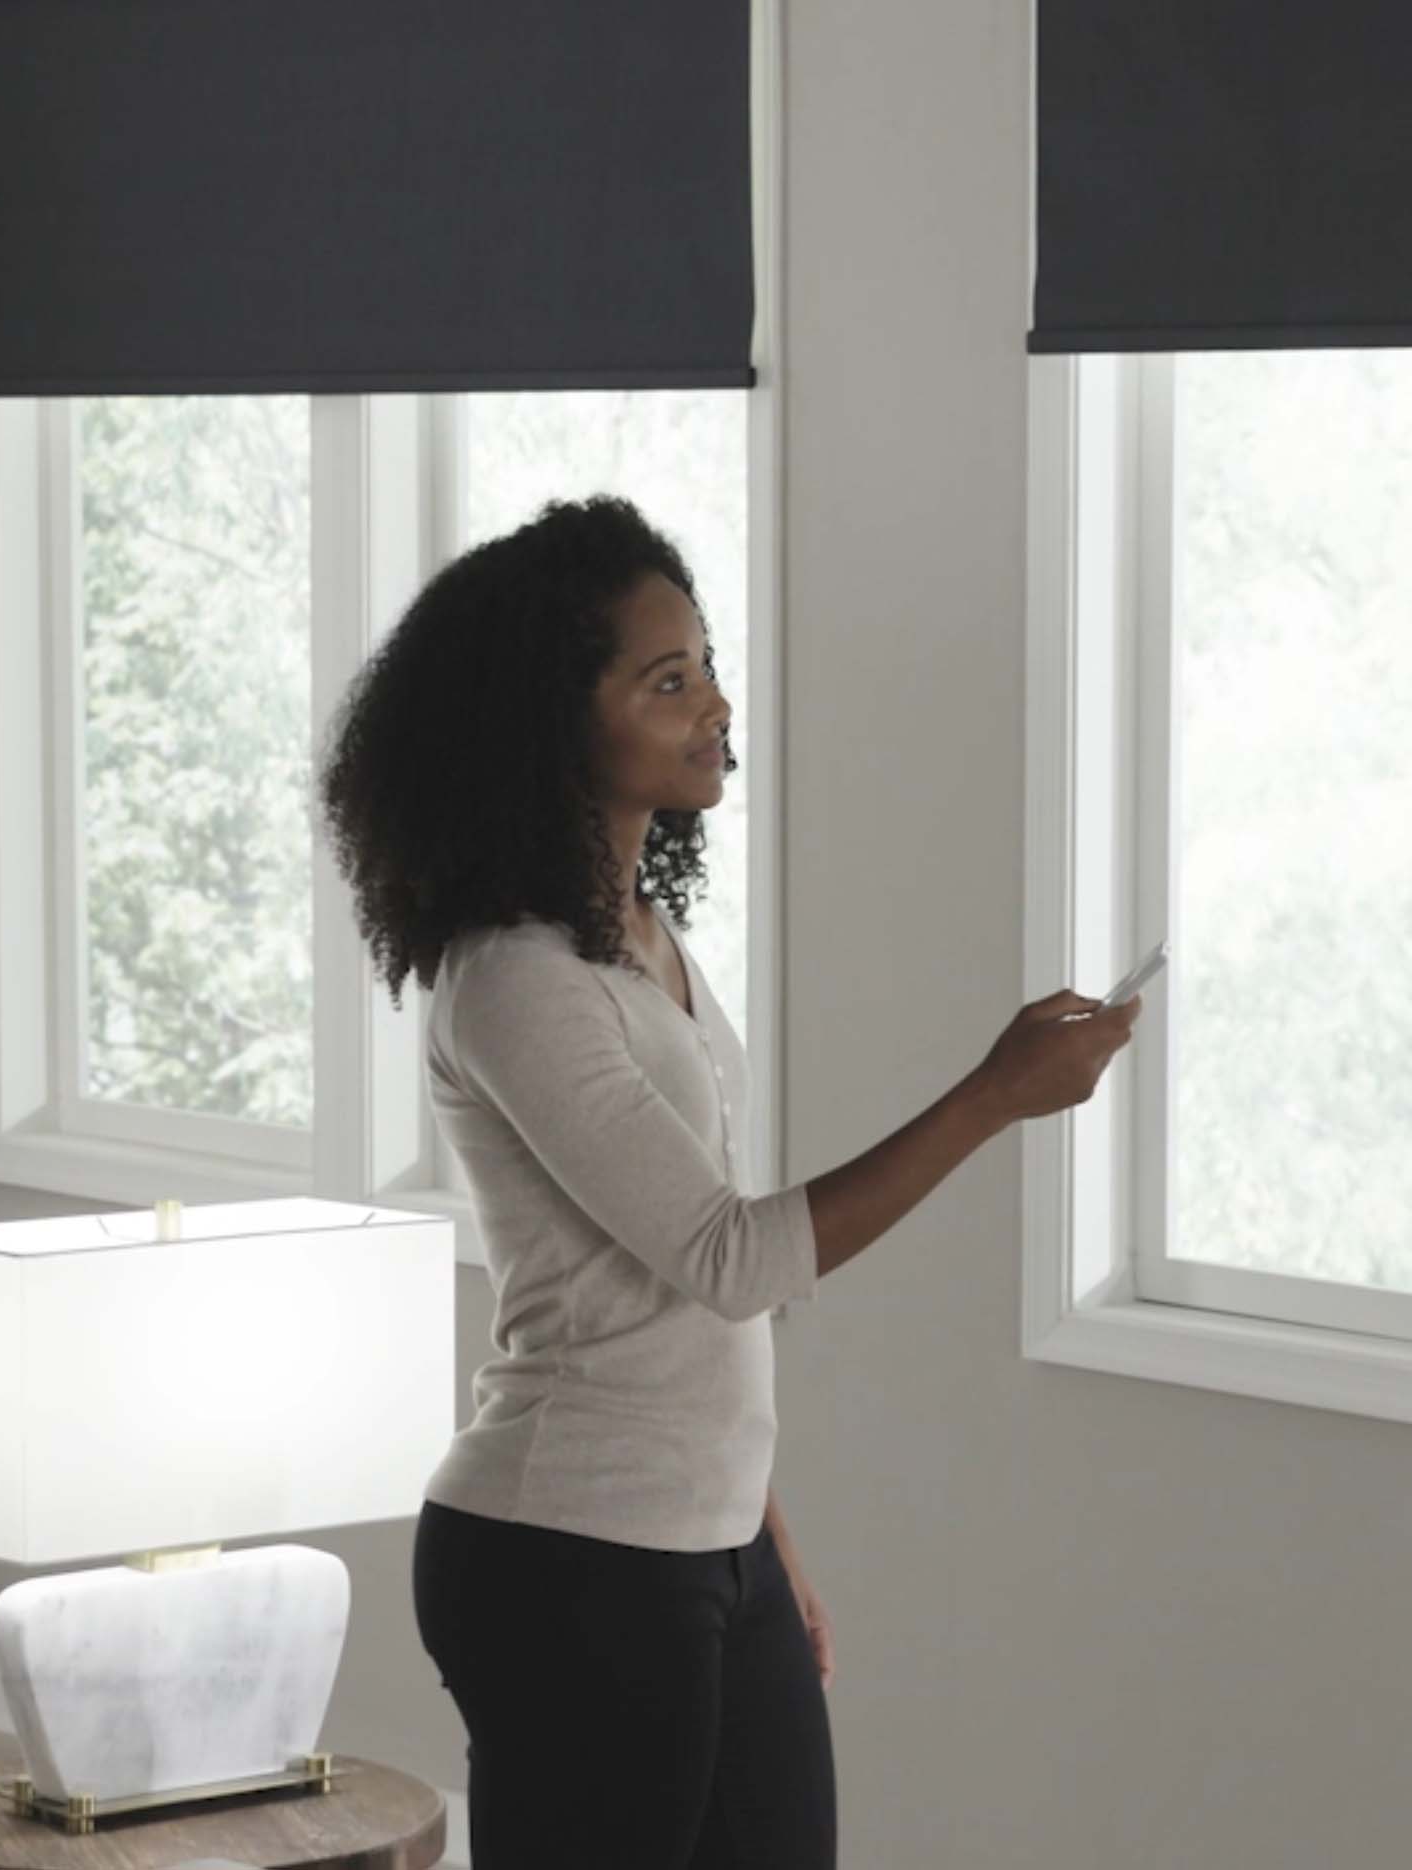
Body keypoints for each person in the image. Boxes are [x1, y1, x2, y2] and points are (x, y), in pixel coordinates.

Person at [316, 494, 1140, 1868]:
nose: (713, 702)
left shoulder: (638, 933)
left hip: (703, 1540)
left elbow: (673, 1303)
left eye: (704, 662)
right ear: (551, 719)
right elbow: (727, 1256)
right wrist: (994, 1094)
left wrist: (757, 1529)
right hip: (567, 1550)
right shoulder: (514, 974)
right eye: (667, 676)